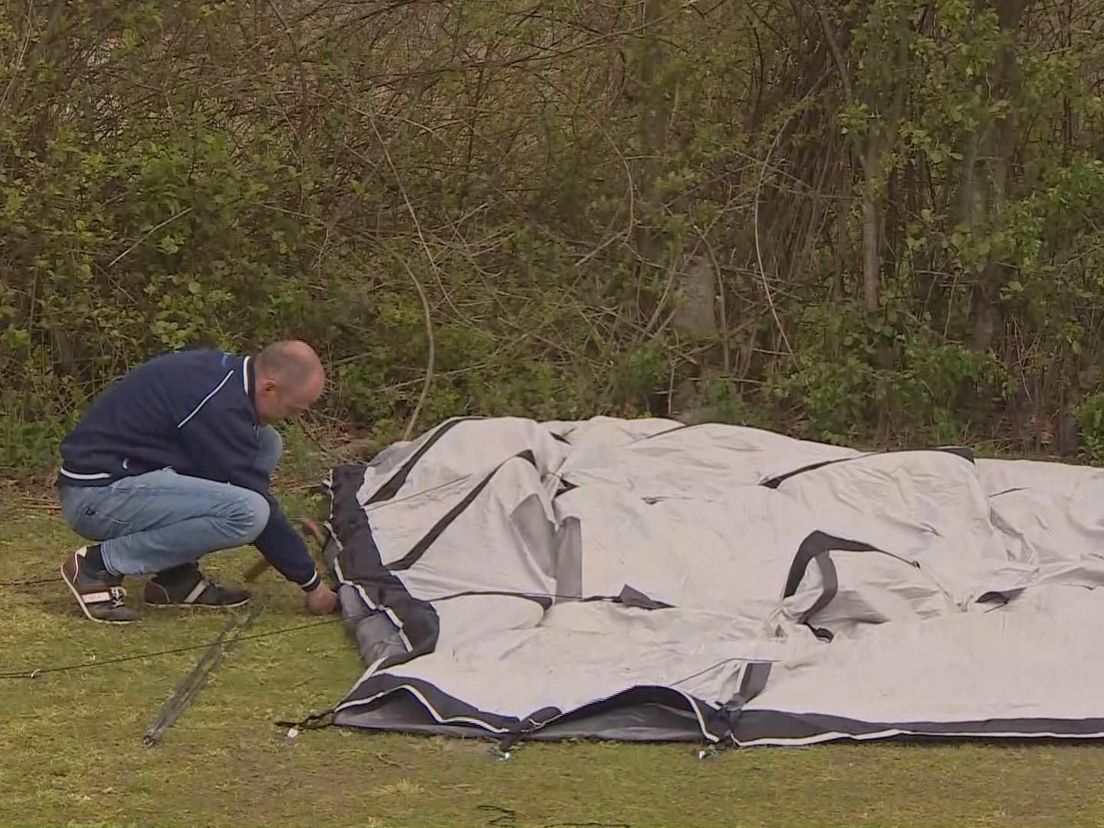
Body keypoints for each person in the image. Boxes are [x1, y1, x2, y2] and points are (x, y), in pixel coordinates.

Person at [55, 340, 340, 623]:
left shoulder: (228, 378)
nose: (294, 417)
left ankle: (175, 577)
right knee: (249, 513)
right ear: (269, 388)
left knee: (266, 442)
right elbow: (259, 506)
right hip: (98, 495)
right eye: (293, 409)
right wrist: (312, 584)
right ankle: (97, 566)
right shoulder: (219, 407)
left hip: (130, 476)